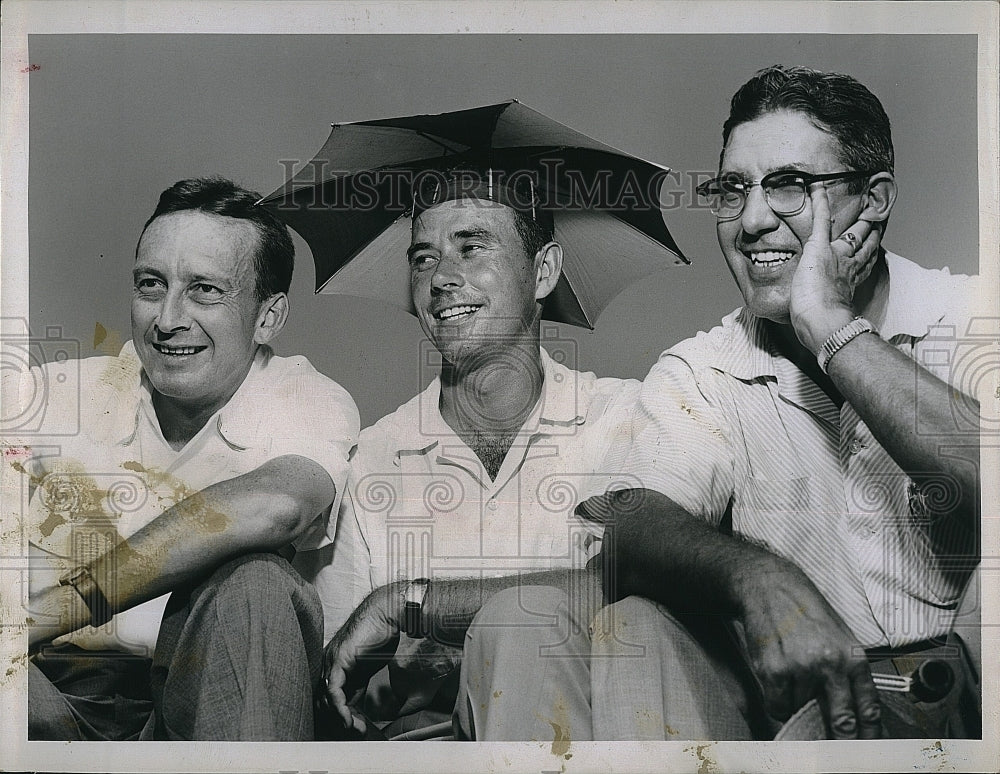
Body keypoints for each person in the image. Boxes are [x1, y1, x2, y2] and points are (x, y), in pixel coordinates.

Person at [580, 65, 983, 739]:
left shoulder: (974, 313)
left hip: (981, 715)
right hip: (822, 723)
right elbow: (629, 524)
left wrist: (828, 325)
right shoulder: (703, 369)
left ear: (874, 198)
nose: (753, 220)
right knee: (631, 624)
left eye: (790, 186)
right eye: (733, 190)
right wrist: (754, 576)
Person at [14, 177, 360, 740]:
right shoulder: (54, 397)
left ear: (268, 316)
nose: (168, 318)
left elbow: (274, 507)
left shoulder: (306, 398)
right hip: (49, 696)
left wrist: (50, 608)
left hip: (207, 700)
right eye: (152, 285)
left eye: (204, 290)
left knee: (258, 583)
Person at [315, 170, 643, 742]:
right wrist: (413, 676)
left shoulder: (626, 421)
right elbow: (339, 690)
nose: (442, 278)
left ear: (543, 270)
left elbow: (648, 597)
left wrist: (425, 611)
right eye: (423, 258)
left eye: (471, 248)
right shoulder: (372, 458)